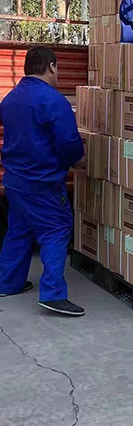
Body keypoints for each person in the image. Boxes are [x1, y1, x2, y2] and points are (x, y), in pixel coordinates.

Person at [0, 47, 85, 316]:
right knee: (56, 228)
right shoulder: (53, 101)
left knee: (19, 229)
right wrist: (79, 160)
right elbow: (69, 142)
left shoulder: (10, 99)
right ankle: (53, 293)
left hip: (15, 181)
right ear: (51, 66)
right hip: (42, 183)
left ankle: (7, 282)